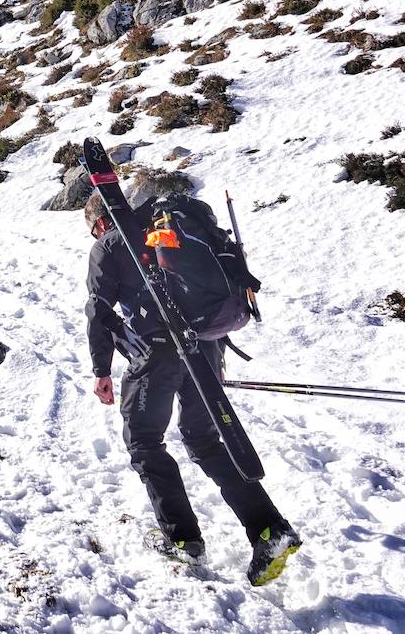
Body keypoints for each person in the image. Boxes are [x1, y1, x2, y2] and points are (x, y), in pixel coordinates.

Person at [83, 192, 301, 586]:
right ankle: (269, 530)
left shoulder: (110, 243)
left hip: (158, 354)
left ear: (99, 223)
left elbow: (98, 308)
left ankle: (183, 539)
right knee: (204, 439)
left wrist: (102, 369)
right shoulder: (167, 232)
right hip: (206, 344)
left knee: (144, 440)